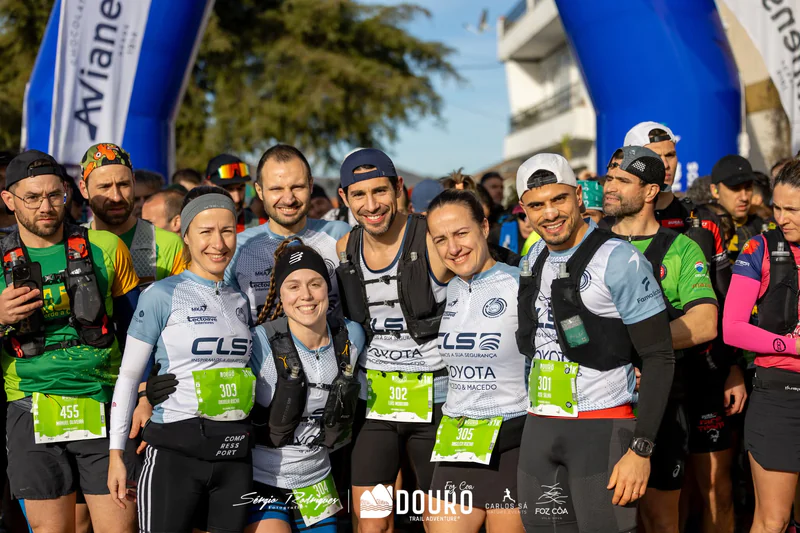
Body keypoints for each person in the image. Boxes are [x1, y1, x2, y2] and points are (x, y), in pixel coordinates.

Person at [515, 153, 675, 533]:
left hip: (601, 426)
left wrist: (641, 449)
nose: (549, 214)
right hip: (539, 427)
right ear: (524, 210)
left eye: (559, 199)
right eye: (536, 205)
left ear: (578, 197)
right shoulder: (533, 255)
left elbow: (659, 356)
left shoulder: (619, 258)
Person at [0, 149, 140, 532]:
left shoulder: (106, 247)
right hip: (30, 404)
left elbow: (137, 332)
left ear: (67, 192)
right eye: (32, 197)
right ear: (9, 199)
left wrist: (142, 395)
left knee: (120, 528)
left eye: (54, 195)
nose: (45, 207)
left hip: (104, 403)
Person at [108, 187, 254, 533]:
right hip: (175, 453)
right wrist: (116, 454)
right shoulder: (161, 294)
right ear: (185, 235)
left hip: (233, 455)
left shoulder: (240, 299)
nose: (218, 243)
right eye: (205, 231)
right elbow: (128, 376)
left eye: (227, 230)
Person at [603, 146, 725, 533]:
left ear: (651, 191)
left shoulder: (681, 247)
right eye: (609, 178)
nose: (610, 187)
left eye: (623, 180)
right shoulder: (590, 242)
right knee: (607, 519)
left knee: (660, 519)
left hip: (662, 401)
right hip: (599, 402)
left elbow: (704, 323)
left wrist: (639, 347)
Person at [335, 147, 452, 531]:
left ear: (399, 187)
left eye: (380, 191)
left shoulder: (432, 237)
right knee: (373, 523)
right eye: (359, 194)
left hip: (437, 403)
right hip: (376, 408)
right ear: (344, 197)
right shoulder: (345, 247)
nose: (371, 205)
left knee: (443, 523)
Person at [244, 240, 366, 532]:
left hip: (318, 480)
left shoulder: (351, 335)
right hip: (264, 480)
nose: (306, 296)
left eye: (315, 284)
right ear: (280, 294)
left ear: (327, 288)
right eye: (294, 286)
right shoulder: (258, 342)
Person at [425, 189, 527, 533]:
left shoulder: (520, 284)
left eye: (461, 233)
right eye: (441, 240)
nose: (453, 248)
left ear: (484, 227)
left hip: (513, 438)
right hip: (458, 439)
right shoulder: (450, 289)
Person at [722, 158, 800, 533]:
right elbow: (733, 329)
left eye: (792, 210)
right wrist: (792, 346)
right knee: (774, 521)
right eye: (777, 208)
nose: (781, 218)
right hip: (780, 397)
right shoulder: (760, 247)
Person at [226, 144, 350, 321]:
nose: (289, 199)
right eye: (276, 189)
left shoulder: (339, 235)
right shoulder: (238, 247)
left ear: (311, 185)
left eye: (297, 187)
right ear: (259, 191)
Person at [79, 143, 188, 286]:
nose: (116, 197)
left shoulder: (169, 245)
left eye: (124, 184)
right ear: (84, 189)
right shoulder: (71, 244)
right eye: (105, 186)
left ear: (133, 182)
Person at [710, 155, 775, 263]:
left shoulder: (765, 227)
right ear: (715, 190)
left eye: (748, 187)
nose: (744, 197)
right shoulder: (704, 228)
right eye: (735, 189)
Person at [206, 154, 267, 233]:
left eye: (240, 188)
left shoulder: (260, 228)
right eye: (229, 189)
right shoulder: (193, 225)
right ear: (207, 185)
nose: (237, 199)